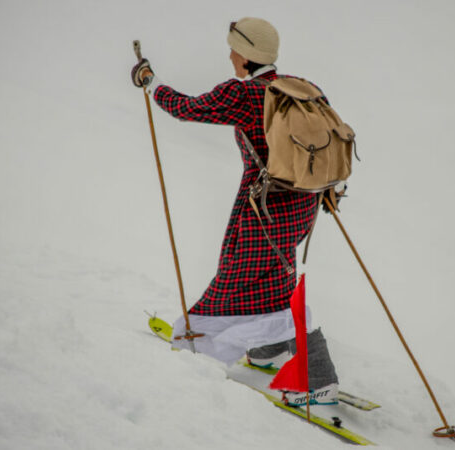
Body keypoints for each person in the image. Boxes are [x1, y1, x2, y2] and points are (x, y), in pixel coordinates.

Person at [132, 17, 338, 405]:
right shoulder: (303, 89)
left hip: (263, 209)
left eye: (233, 49)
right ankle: (269, 348)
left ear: (246, 55)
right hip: (302, 206)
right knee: (274, 276)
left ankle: (319, 381)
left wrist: (151, 83)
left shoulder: (242, 95)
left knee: (235, 281)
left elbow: (185, 108)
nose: (229, 55)